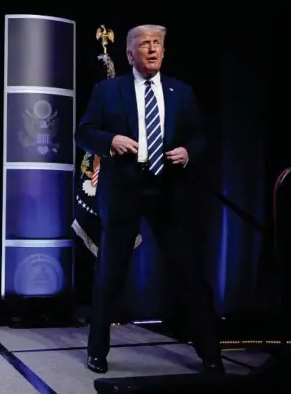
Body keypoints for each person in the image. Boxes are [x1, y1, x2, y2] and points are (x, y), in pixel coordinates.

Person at [75, 24, 224, 374]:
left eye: (158, 44)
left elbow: (200, 136)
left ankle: (211, 354)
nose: (153, 49)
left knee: (189, 273)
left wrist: (188, 151)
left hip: (168, 192)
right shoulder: (108, 91)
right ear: (130, 54)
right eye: (145, 44)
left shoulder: (181, 92)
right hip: (124, 190)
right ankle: (97, 351)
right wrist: (110, 140)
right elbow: (84, 132)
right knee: (110, 275)